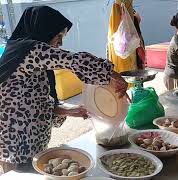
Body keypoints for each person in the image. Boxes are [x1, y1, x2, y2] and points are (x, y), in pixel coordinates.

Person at [0, 6, 128, 173]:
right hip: (17, 144)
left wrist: (69, 111)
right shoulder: (28, 50)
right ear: (43, 29)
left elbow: (34, 103)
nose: (60, 43)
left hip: (33, 141)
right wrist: (114, 75)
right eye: (58, 35)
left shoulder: (32, 59)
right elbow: (74, 61)